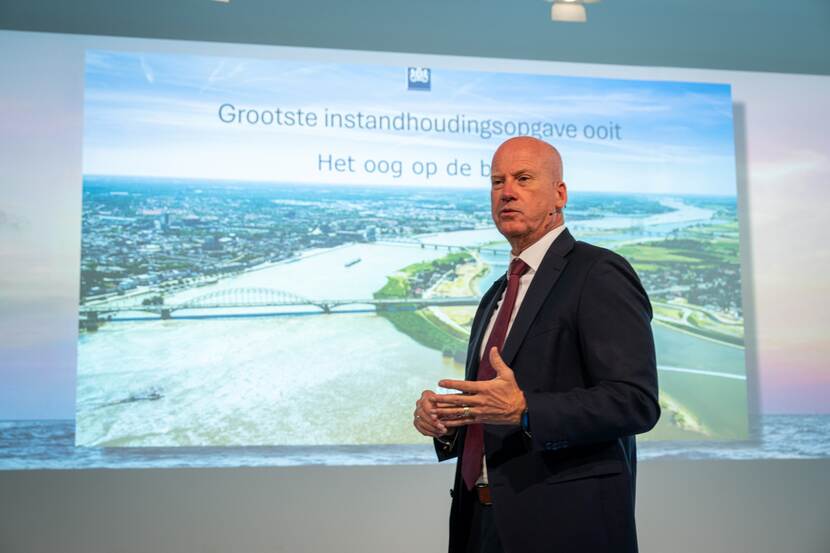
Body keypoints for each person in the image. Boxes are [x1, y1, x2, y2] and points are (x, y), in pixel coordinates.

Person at [413, 136, 660, 553]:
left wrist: (526, 410)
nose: (506, 192)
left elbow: (636, 400)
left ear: (559, 195)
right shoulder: (495, 292)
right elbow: (491, 408)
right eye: (497, 182)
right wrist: (448, 422)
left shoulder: (597, 272)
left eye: (523, 179)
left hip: (566, 529)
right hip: (479, 522)